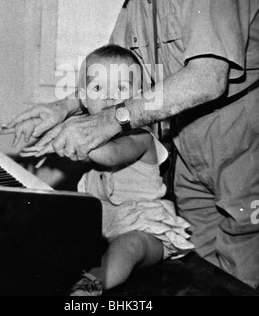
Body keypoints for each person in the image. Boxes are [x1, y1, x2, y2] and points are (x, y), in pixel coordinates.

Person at [0, 0, 259, 288]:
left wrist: (113, 121)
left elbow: (209, 77)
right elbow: (119, 74)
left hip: (244, 146)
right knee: (206, 278)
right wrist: (63, 107)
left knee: (244, 275)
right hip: (192, 154)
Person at [21, 44, 194, 296]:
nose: (110, 97)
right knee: (55, 227)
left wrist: (68, 136)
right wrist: (62, 132)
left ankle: (90, 287)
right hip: (103, 223)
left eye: (122, 89)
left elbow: (110, 155)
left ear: (139, 98)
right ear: (84, 96)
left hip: (144, 228)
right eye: (98, 88)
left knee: (129, 246)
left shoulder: (140, 138)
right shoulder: (88, 130)